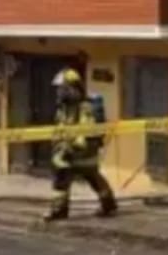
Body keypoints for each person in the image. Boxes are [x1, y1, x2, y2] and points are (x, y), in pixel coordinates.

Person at [43, 67, 117, 223]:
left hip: (79, 153)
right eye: (59, 90)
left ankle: (59, 210)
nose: (60, 93)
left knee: (62, 180)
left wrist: (69, 149)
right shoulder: (64, 109)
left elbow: (85, 131)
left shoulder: (85, 108)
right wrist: (57, 143)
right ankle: (109, 204)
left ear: (72, 88)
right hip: (77, 153)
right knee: (94, 179)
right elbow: (61, 129)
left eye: (63, 89)